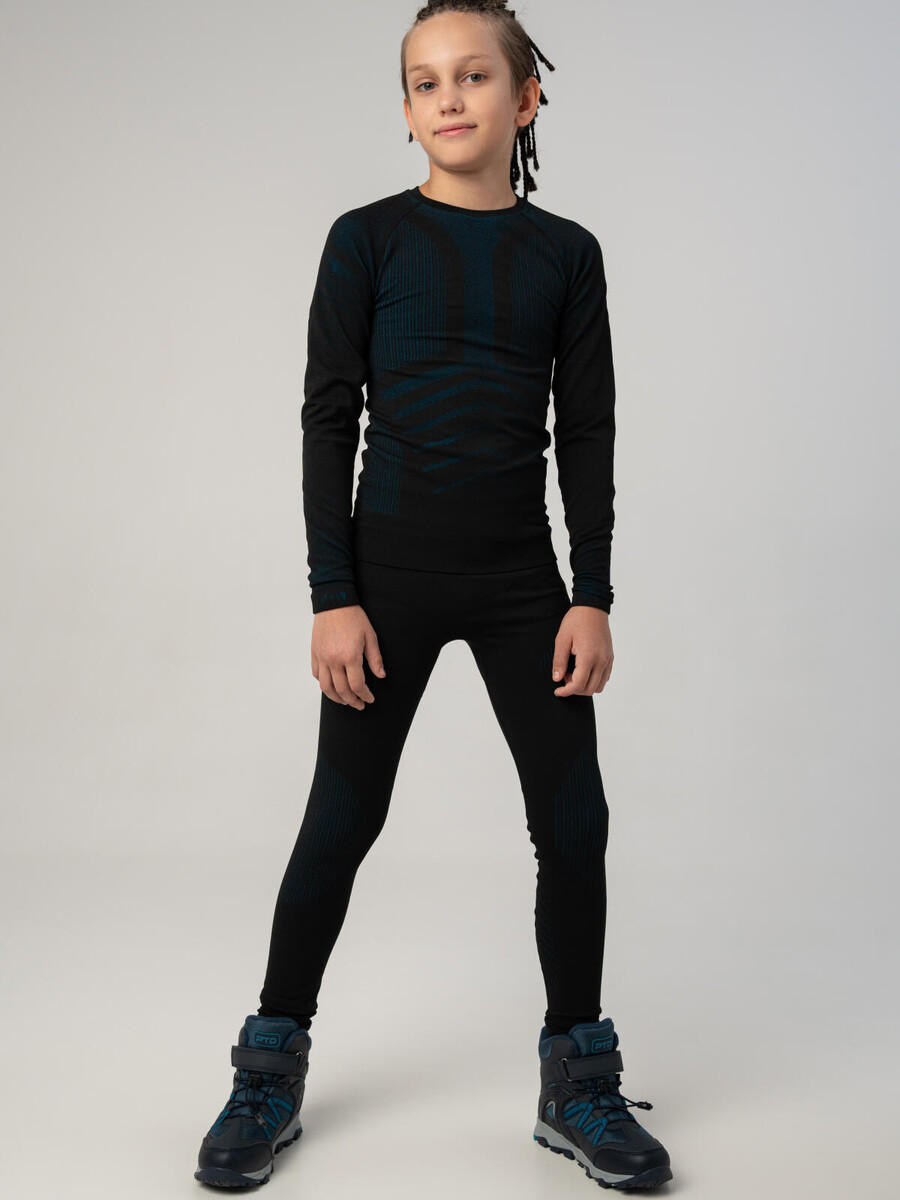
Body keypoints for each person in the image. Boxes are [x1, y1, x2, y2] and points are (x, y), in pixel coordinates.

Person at [195, 0, 673, 1190]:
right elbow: (328, 419)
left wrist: (592, 592)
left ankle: (578, 1081)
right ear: (407, 109)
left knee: (575, 822)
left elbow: (589, 432)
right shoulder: (366, 240)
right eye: (424, 81)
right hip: (387, 582)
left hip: (522, 585)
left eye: (473, 76)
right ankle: (268, 1068)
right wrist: (332, 595)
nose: (449, 97)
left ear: (527, 96)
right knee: (341, 818)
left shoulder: (567, 255)